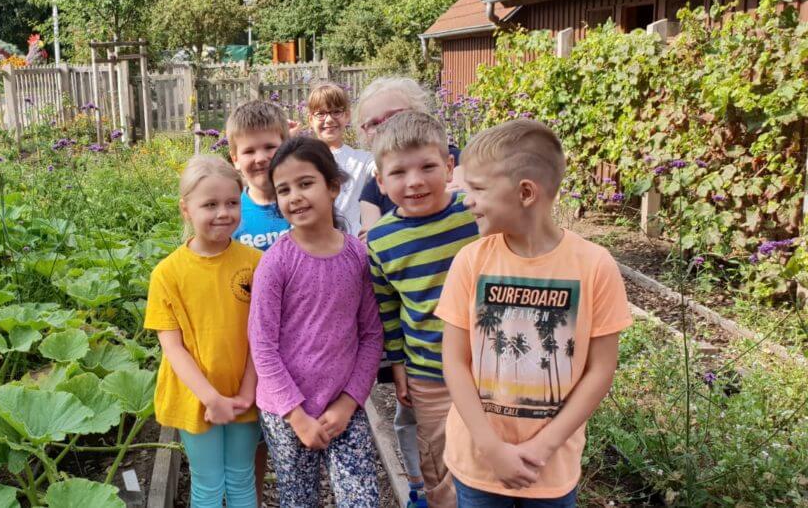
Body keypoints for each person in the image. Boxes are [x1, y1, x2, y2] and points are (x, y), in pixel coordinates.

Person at [435, 119, 632, 506]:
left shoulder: (595, 266)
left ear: (525, 192)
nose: (465, 199)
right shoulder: (470, 262)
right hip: (477, 463)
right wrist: (491, 448)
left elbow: (601, 369)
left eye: (477, 188)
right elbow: (454, 362)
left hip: (550, 468)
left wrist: (545, 445)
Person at [248, 136, 383, 507]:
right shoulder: (276, 263)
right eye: (284, 190)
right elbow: (262, 346)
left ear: (333, 186)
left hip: (344, 405)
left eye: (306, 183)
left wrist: (349, 402)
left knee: (362, 498)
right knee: (299, 499)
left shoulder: (357, 256)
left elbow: (371, 335)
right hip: (287, 412)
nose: (295, 197)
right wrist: (296, 415)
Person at [366, 112, 480, 508]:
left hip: (488, 367)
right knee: (440, 460)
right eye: (398, 173)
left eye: (428, 166)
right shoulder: (380, 239)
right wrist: (398, 368)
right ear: (380, 182)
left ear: (450, 167)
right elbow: (389, 310)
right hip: (429, 373)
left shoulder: (475, 217)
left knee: (490, 456)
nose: (414, 181)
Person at [145, 155, 263, 507]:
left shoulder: (256, 263)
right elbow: (173, 348)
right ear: (186, 209)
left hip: (246, 393)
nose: (223, 213)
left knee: (242, 479)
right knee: (208, 484)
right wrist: (211, 399)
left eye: (231, 202)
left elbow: (262, 336)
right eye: (209, 204)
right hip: (195, 398)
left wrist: (246, 390)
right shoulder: (167, 274)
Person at [354, 77, 464, 239]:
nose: (385, 126)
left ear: (418, 112)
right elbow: (371, 237)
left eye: (394, 116)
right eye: (374, 124)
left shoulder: (452, 158)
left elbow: (462, 196)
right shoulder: (372, 190)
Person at [306, 82, 374, 236]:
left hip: (351, 245)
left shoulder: (362, 160)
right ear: (311, 119)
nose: (329, 120)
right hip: (314, 243)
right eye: (321, 114)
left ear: (347, 116)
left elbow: (383, 167)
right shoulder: (303, 160)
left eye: (336, 112)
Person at [228, 100, 291, 251]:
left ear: (287, 148)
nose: (261, 158)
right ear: (235, 159)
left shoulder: (303, 204)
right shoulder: (230, 215)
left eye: (270, 147)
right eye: (249, 151)